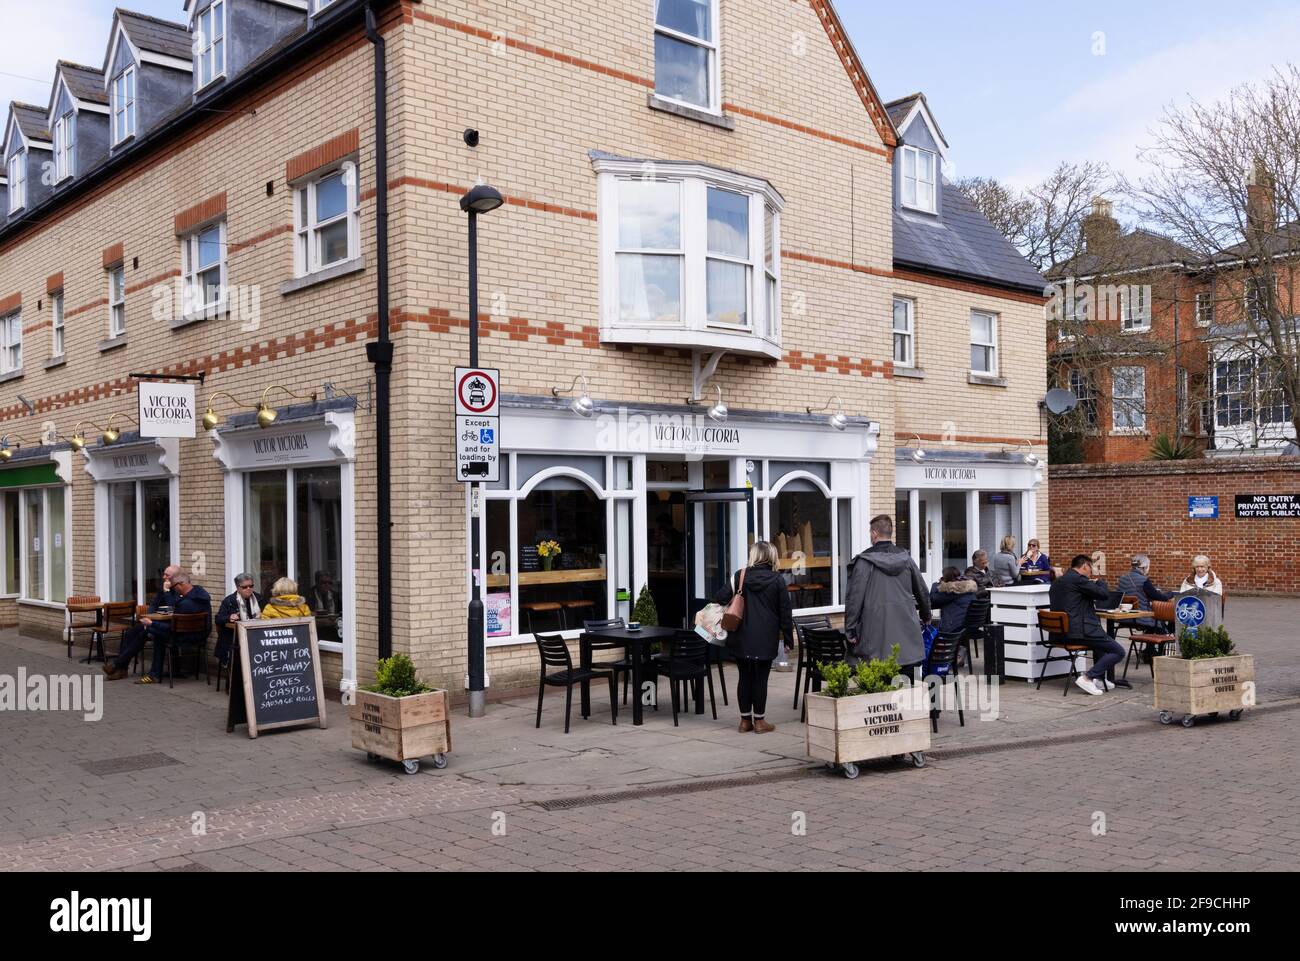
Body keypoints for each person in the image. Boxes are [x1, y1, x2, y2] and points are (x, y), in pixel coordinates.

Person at [712, 541, 793, 734]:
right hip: (766, 638)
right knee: (760, 679)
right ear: (772, 556)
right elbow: (785, 613)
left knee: (745, 677)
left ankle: (744, 721)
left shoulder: (740, 576)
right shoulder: (777, 580)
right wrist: (788, 640)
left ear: (754, 556)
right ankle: (760, 722)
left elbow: (719, 597)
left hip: (741, 637)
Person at [844, 515, 931, 672]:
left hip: (874, 633)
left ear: (875, 533)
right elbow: (922, 591)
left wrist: (850, 629)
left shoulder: (864, 561)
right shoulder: (906, 559)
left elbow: (854, 599)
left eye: (871, 532)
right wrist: (926, 615)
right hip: (906, 630)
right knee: (905, 678)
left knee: (877, 681)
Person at [1048, 554, 1127, 695]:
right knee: (1118, 651)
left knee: (1100, 644)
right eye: (1091, 568)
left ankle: (1099, 678)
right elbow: (1103, 594)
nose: (1091, 572)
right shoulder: (1078, 580)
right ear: (1085, 566)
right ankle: (1088, 677)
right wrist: (1099, 582)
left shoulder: (1058, 582)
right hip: (1078, 632)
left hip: (1059, 634)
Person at [102, 564, 180, 681]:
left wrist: (167, 591)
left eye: (166, 575)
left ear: (175, 577)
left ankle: (117, 665)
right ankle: (122, 669)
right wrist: (150, 616)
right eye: (163, 574)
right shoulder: (163, 588)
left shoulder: (179, 589)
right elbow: (154, 604)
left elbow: (174, 607)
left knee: (142, 634)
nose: (163, 577)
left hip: (169, 626)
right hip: (157, 622)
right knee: (130, 632)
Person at [215, 573, 265, 666]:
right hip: (235, 640)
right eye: (245, 587)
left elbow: (267, 615)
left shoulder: (259, 598)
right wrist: (229, 617)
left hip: (256, 638)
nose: (249, 589)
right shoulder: (229, 601)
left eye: (251, 586)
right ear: (238, 588)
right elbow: (218, 619)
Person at [1117, 554, 1174, 631]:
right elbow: (1160, 598)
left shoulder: (1122, 579)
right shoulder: (1144, 580)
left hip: (1123, 618)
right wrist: (1172, 593)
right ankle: (1165, 635)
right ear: (1144, 567)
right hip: (1141, 618)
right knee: (1162, 620)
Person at [930, 566, 979, 633]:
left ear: (946, 579)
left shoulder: (952, 590)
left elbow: (933, 599)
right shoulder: (967, 587)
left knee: (929, 633)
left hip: (956, 628)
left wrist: (935, 585)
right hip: (971, 625)